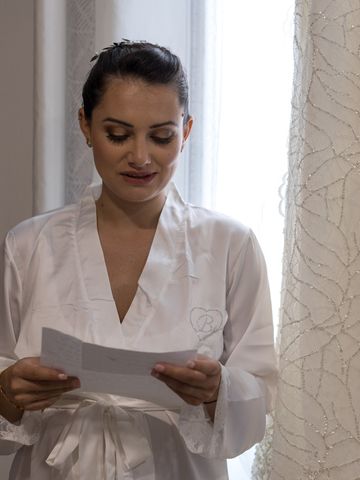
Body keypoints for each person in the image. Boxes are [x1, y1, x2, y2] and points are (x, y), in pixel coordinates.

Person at [0, 41, 277, 479]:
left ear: (185, 132)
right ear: (85, 126)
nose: (141, 157)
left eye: (162, 136)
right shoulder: (29, 245)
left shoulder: (231, 245)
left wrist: (216, 391)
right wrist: (8, 393)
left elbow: (261, 393)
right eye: (118, 134)